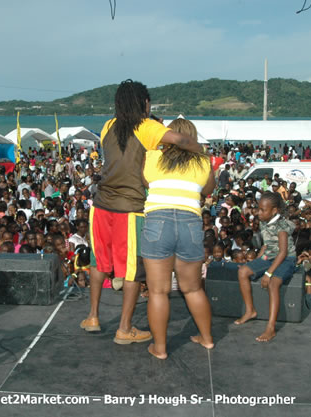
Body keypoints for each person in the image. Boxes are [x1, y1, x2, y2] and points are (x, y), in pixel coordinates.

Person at [80, 80, 201, 345]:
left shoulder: (108, 126)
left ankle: (92, 317)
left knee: (98, 262)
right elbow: (180, 139)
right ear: (144, 103)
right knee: (132, 271)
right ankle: (124, 328)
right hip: (129, 209)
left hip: (100, 205)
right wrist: (199, 150)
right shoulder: (147, 127)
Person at [140, 118, 215, 359]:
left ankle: (160, 349)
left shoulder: (153, 156)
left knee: (159, 291)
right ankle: (207, 338)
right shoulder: (202, 161)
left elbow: (145, 181)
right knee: (192, 288)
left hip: (157, 221)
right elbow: (208, 190)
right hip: (190, 224)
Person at [234, 192, 297, 342]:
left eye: (263, 210)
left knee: (274, 283)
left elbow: (283, 252)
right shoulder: (264, 221)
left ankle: (271, 327)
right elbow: (267, 244)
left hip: (286, 258)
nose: (258, 212)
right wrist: (256, 262)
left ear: (274, 211)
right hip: (269, 256)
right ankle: (250, 311)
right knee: (243, 271)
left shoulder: (281, 225)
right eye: (258, 209)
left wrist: (268, 273)